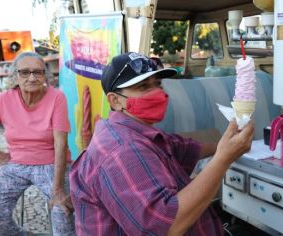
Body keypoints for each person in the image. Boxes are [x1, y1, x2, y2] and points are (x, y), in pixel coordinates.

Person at [70, 52, 254, 235]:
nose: (157, 93)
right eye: (143, 87)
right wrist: (223, 158)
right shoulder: (122, 150)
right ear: (115, 100)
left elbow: (183, 148)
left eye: (158, 84)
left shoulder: (138, 131)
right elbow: (168, 226)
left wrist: (228, 144)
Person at [0, 52, 76, 236]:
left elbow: (60, 144)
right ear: (15, 76)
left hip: (51, 163)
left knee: (63, 211)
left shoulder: (56, 97)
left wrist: (58, 190)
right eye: (24, 72)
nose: (32, 78)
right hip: (16, 164)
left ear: (45, 76)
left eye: (38, 72)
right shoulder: (4, 99)